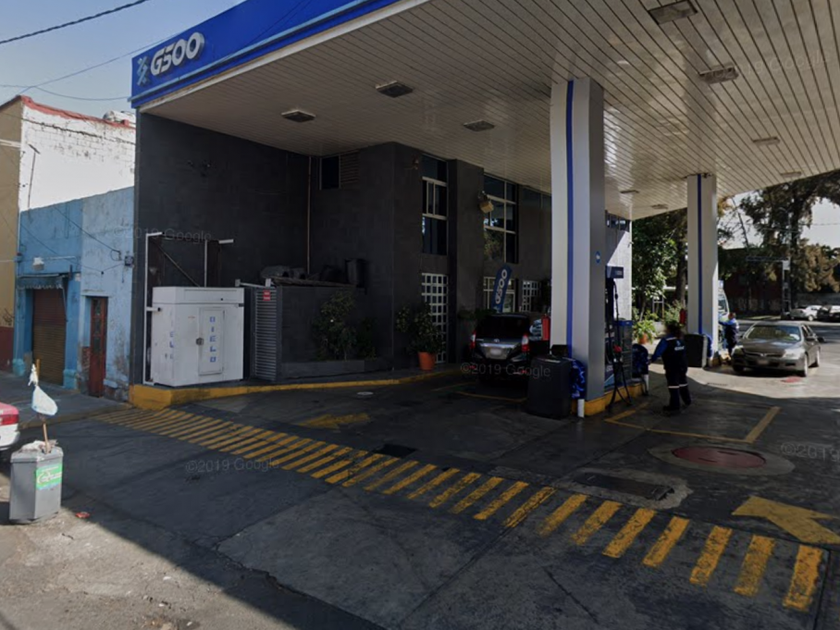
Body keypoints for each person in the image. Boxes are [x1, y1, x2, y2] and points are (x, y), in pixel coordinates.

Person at [650, 322, 691, 414]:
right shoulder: (680, 338)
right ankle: (687, 400)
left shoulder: (666, 340)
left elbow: (658, 352)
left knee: (673, 385)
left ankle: (675, 406)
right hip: (683, 364)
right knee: (683, 382)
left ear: (668, 330)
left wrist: (651, 360)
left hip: (672, 366)